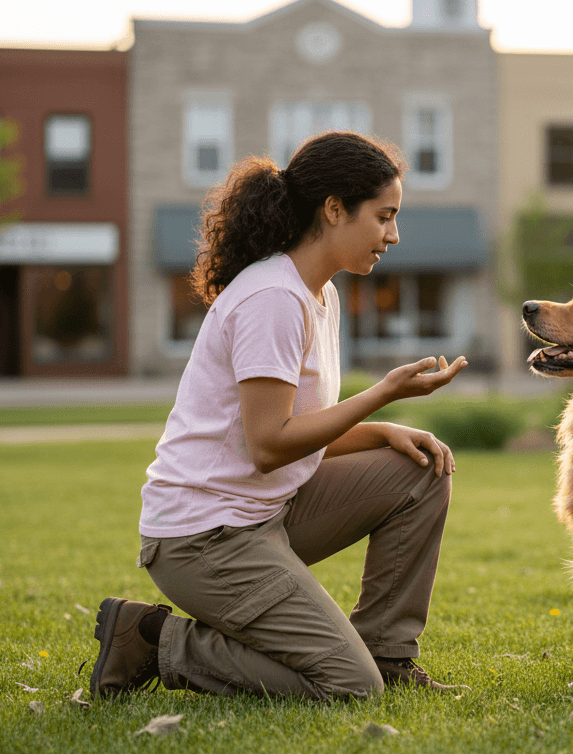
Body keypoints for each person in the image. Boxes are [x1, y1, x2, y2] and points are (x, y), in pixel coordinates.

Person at [87, 132, 468, 701]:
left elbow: (294, 434)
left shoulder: (319, 295)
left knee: (420, 469)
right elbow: (269, 445)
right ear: (334, 209)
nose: (393, 235)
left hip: (267, 512)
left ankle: (387, 653)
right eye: (384, 216)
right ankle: (152, 640)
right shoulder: (273, 298)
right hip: (203, 539)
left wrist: (382, 433)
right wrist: (382, 395)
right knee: (349, 685)